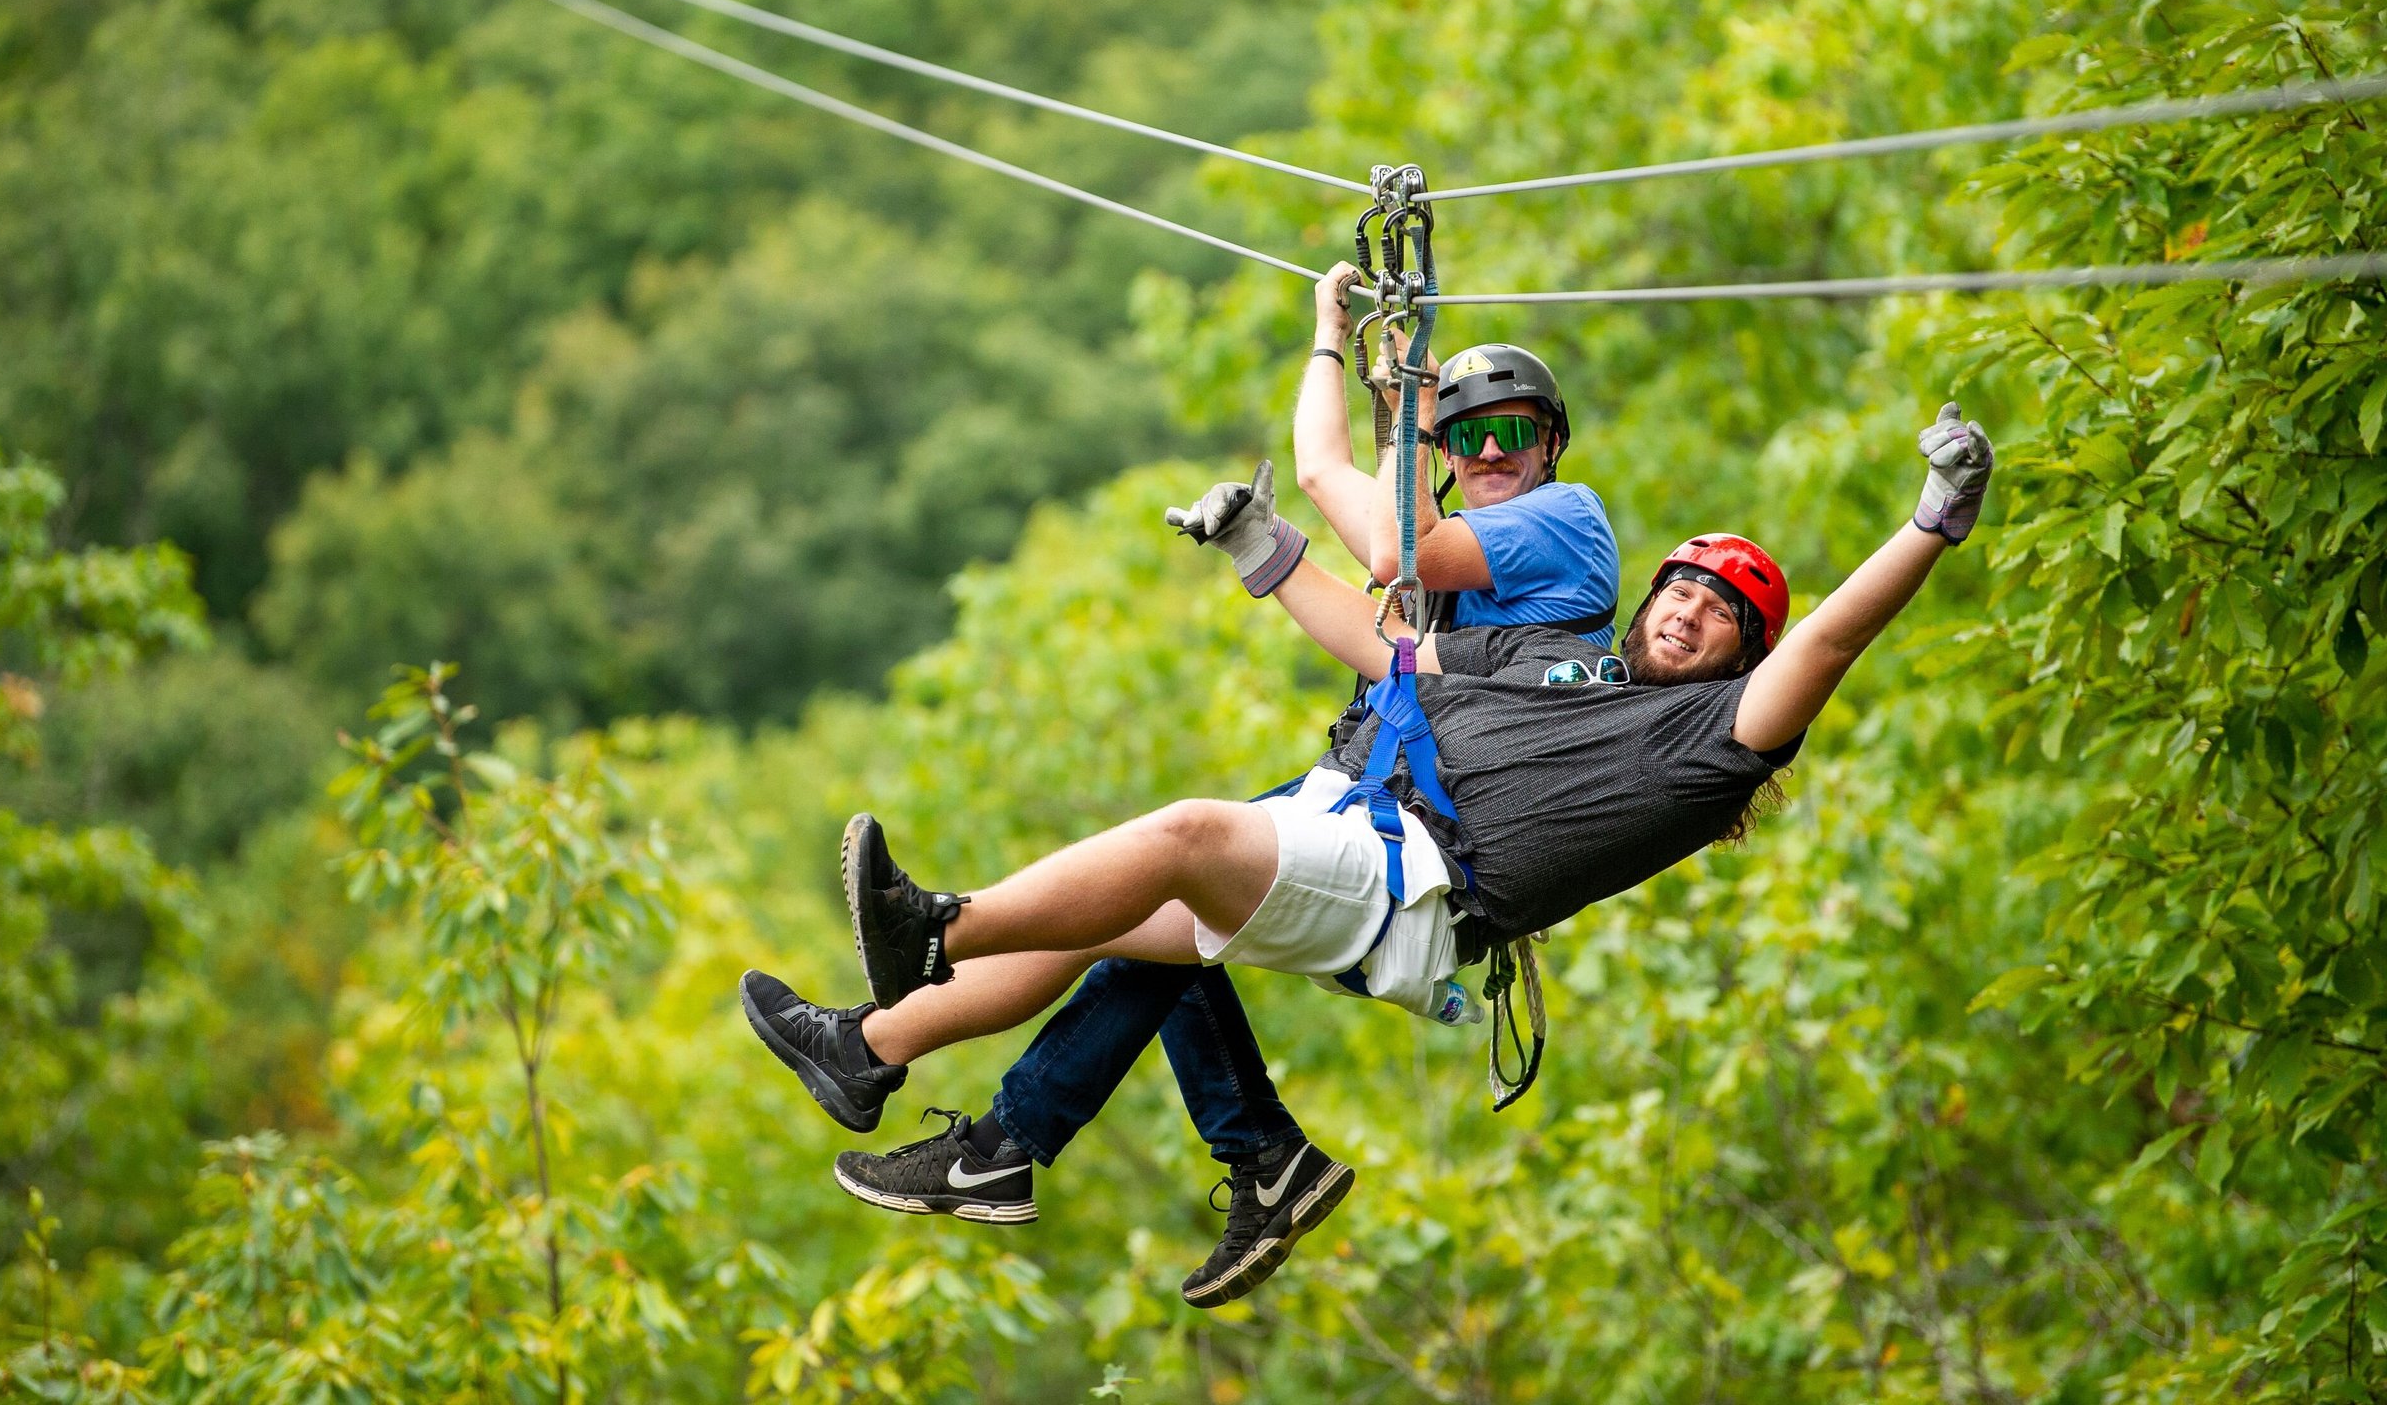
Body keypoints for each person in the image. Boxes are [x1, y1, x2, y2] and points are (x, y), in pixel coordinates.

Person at [765, 403, 1994, 1257]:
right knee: (1137, 928)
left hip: (1419, 886)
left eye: (1720, 613)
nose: (1686, 613)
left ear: (1742, 656)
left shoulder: (1713, 744)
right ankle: (875, 1049)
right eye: (1679, 589)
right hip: (1358, 827)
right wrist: (1263, 545)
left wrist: (1932, 522)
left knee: (1188, 836)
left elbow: (1830, 637)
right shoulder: (1555, 661)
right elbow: (1389, 645)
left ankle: (937, 928)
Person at [743, 262, 1624, 1305]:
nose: (1488, 456)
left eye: (1510, 435)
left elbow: (1387, 540)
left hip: (1421, 856)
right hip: (1373, 815)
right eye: (1468, 441)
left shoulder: (1565, 521)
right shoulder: (1455, 576)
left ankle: (934, 951)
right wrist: (1332, 339)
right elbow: (1324, 474)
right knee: (1127, 914)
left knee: (1160, 872)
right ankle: (906, 1073)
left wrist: (1409, 407)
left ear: (1550, 444)